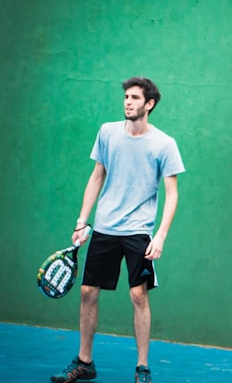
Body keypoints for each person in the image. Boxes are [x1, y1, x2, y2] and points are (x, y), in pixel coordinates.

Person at [51, 77, 185, 383]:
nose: (128, 101)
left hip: (138, 231)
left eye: (135, 97)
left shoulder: (164, 144)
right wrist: (81, 221)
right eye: (126, 96)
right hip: (106, 228)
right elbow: (97, 176)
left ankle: (142, 368)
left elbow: (172, 193)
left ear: (149, 104)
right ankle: (84, 363)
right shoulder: (107, 132)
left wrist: (161, 235)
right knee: (87, 292)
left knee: (139, 295)